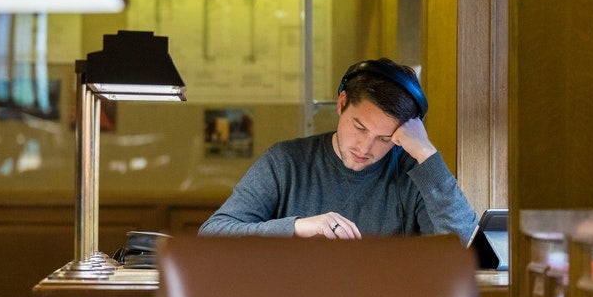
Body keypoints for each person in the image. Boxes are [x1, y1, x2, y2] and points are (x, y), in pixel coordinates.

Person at [198, 58, 477, 242]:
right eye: (360, 127)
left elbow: (462, 249)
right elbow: (212, 234)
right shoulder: (285, 162)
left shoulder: (411, 172)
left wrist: (426, 153)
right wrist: (299, 227)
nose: (365, 148)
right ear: (342, 103)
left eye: (385, 138)